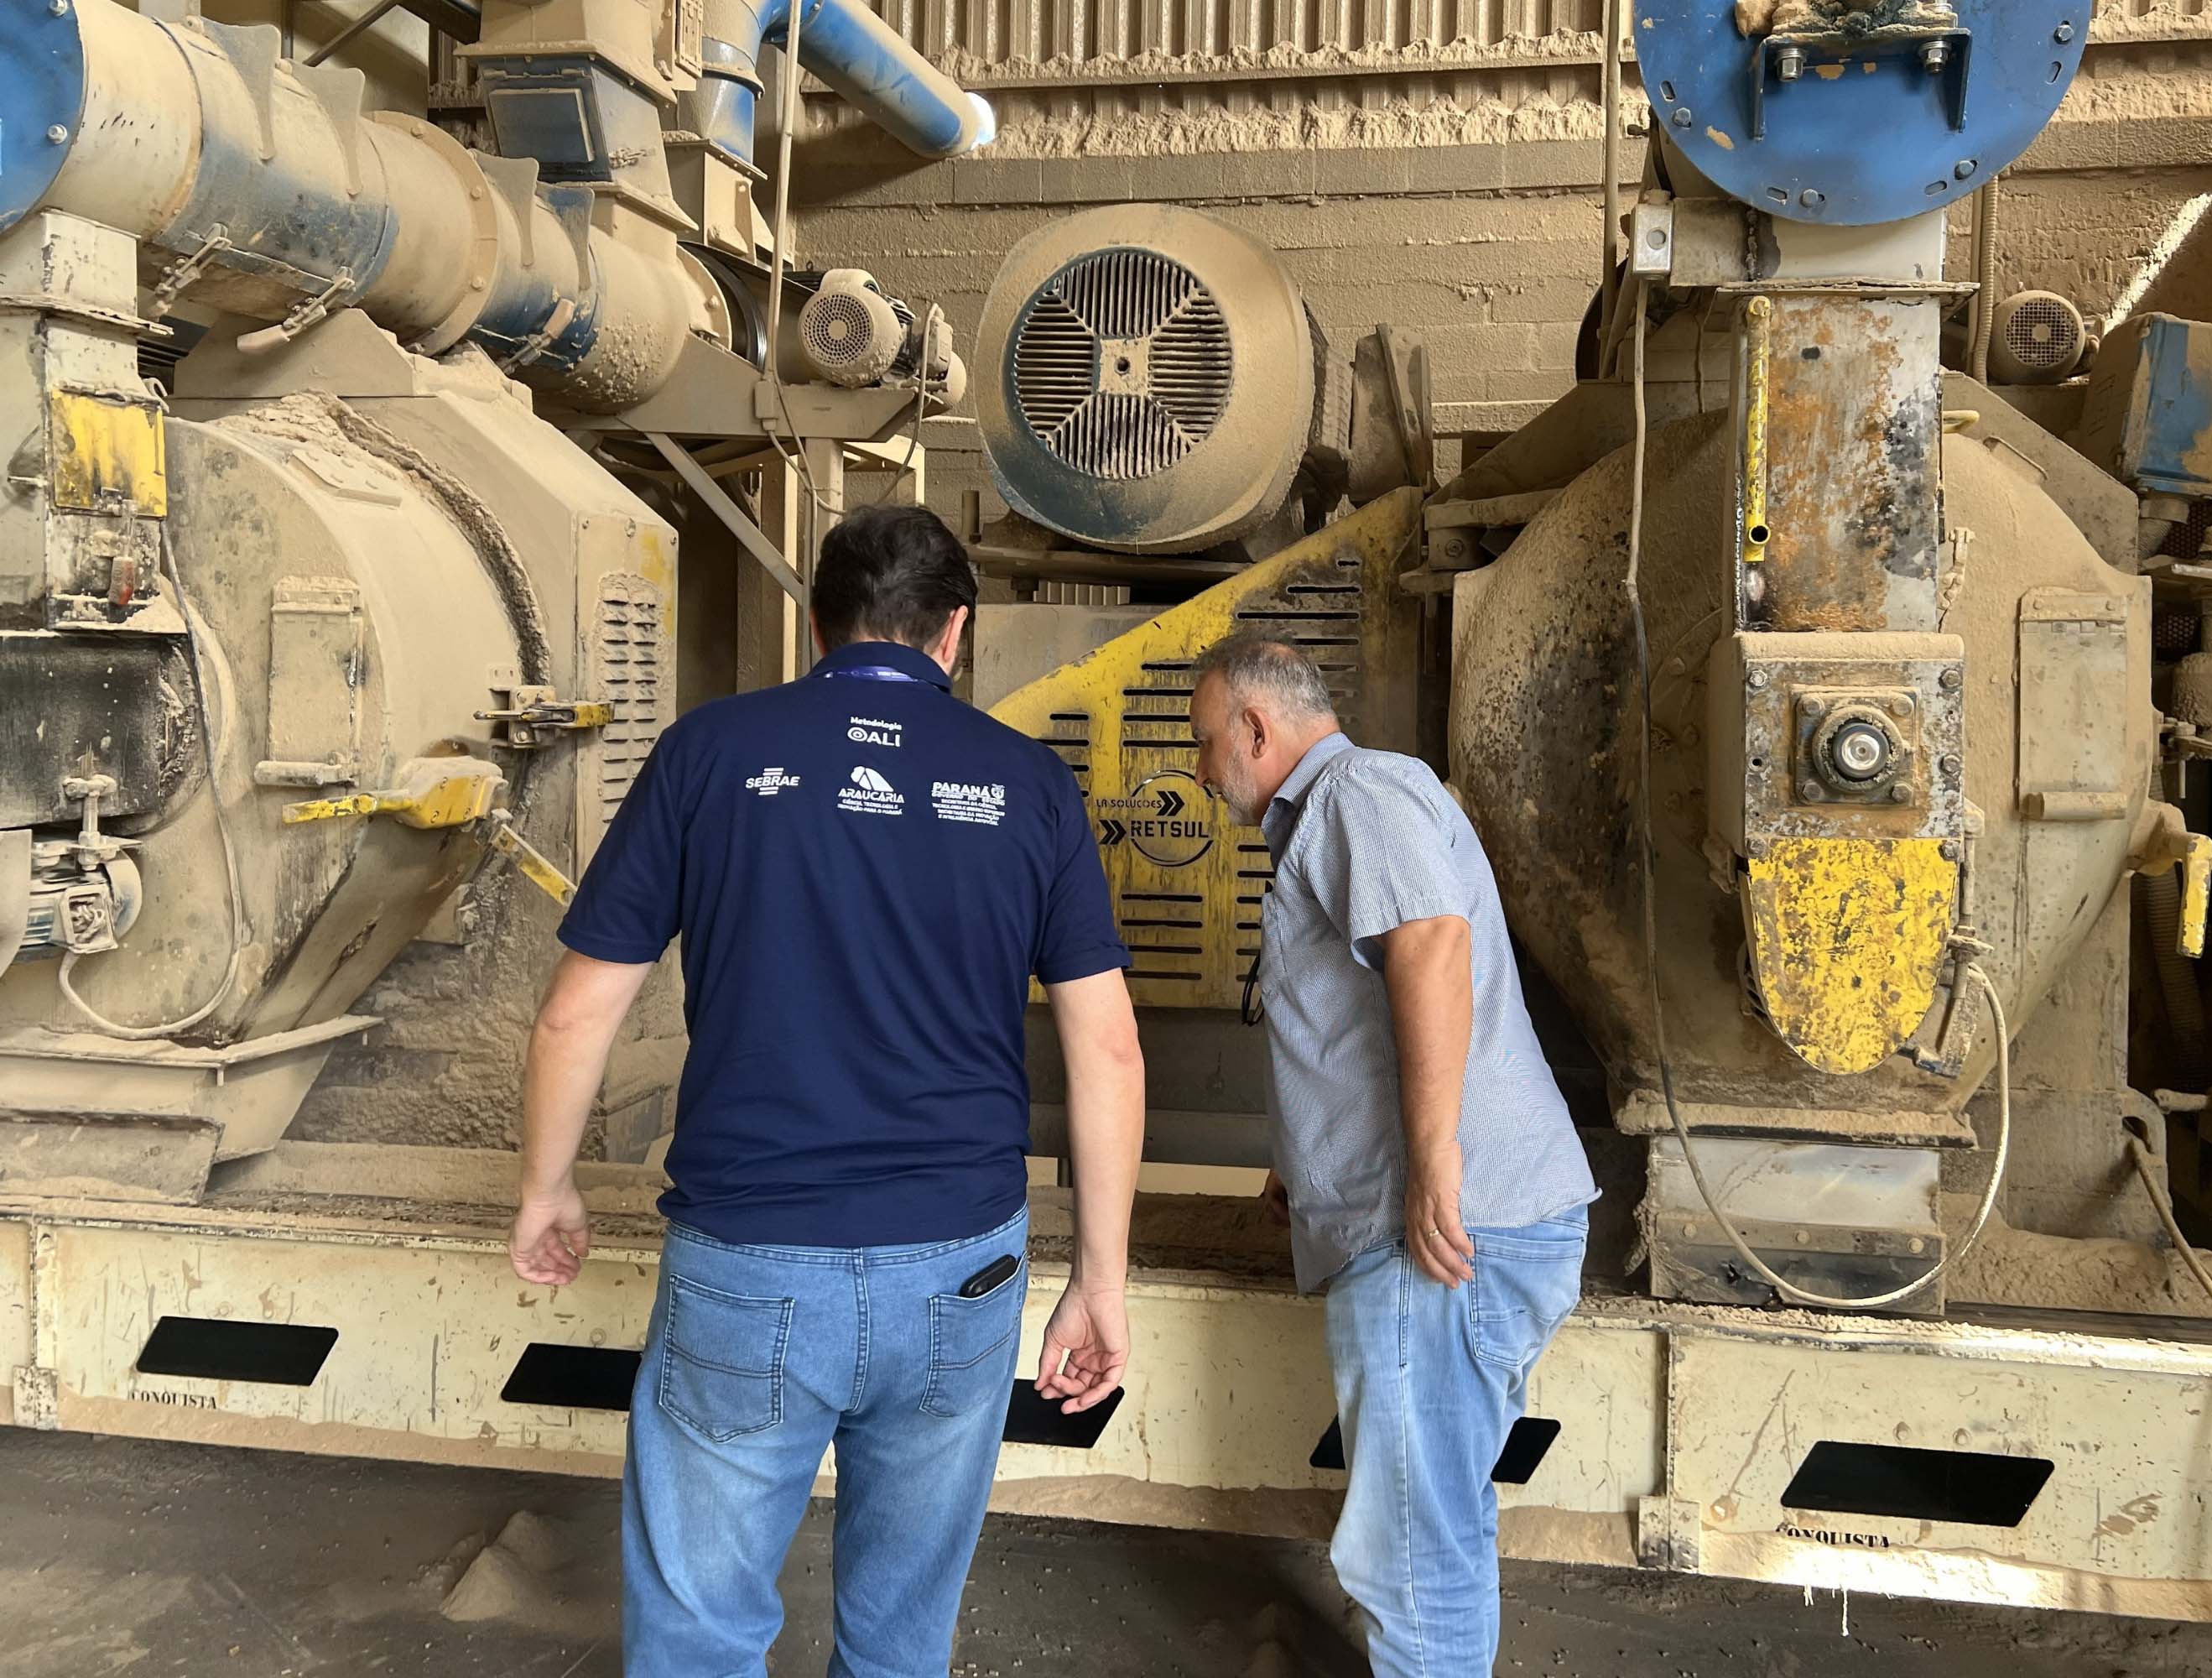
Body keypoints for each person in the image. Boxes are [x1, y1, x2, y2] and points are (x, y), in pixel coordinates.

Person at [507, 503, 1145, 1678]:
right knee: (901, 1638)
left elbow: (574, 1013)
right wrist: (1098, 1279)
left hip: (750, 1259)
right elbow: (1106, 1049)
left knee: (699, 1635)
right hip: (960, 1264)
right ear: (955, 632)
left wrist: (547, 1187)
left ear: (817, 624)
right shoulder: (1028, 783)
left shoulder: (708, 752)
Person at [1190, 633, 1597, 1678]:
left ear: (1255, 727)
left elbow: (1429, 944)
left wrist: (1431, 1161)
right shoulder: (1341, 809)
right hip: (1455, 1214)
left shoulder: (1355, 792)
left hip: (1445, 1227)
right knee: (1436, 1520)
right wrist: (1304, 1153)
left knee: (1410, 1551)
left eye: (1204, 741)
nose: (1200, 768)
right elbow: (1358, 1005)